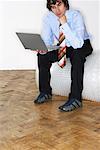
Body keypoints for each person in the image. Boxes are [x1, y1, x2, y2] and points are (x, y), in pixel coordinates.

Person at [34, 0, 93, 112]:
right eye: (53, 7)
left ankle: (76, 99)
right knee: (42, 56)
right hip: (63, 45)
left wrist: (64, 24)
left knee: (76, 54)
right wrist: (43, 48)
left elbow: (77, 44)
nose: (57, 10)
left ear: (65, 3)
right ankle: (45, 92)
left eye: (59, 5)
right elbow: (47, 40)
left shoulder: (76, 15)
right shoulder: (48, 17)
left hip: (81, 44)